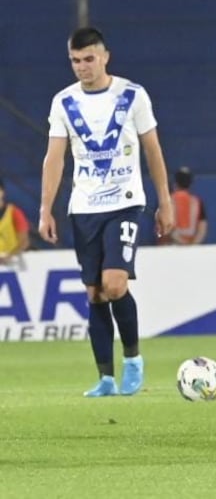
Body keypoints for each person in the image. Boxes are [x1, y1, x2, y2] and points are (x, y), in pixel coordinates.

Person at [38, 27, 174, 398]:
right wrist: (45, 209)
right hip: (83, 208)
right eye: (75, 61)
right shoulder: (63, 102)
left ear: (105, 57)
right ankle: (105, 378)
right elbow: (54, 158)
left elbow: (153, 150)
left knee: (115, 284)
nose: (82, 67)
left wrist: (165, 201)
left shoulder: (132, 95)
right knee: (95, 293)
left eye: (88, 59)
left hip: (125, 203)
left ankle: (132, 359)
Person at [158, 167, 208, 245]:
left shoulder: (168, 201)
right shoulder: (196, 202)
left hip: (170, 246)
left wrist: (179, 240)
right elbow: (202, 227)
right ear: (190, 183)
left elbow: (162, 226)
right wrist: (193, 245)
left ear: (175, 183)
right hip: (191, 247)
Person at [0, 178, 31, 265]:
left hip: (10, 263)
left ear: (2, 192)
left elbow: (24, 241)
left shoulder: (13, 213)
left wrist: (10, 255)